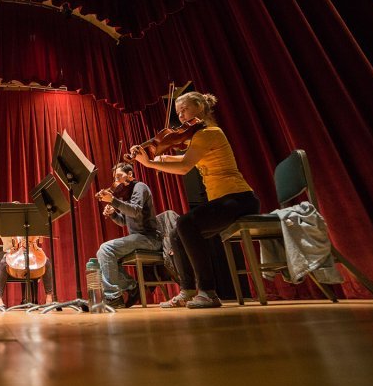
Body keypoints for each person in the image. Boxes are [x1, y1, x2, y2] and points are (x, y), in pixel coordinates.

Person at [130, 92, 260, 309]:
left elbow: (184, 166)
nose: (181, 116)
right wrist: (156, 156)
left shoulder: (210, 133)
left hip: (239, 198)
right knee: (176, 234)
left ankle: (208, 292)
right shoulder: (199, 137)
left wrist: (151, 164)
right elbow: (183, 157)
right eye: (178, 112)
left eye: (185, 109)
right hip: (225, 201)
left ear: (199, 106)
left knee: (185, 223)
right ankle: (188, 290)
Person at [95, 162, 163, 309]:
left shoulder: (140, 187)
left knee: (105, 249)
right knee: (106, 254)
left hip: (150, 238)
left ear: (130, 174)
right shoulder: (126, 194)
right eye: (115, 178)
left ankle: (113, 296)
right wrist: (113, 214)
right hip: (139, 239)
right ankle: (131, 287)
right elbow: (123, 221)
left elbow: (135, 211)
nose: (117, 181)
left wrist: (113, 201)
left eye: (120, 176)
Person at [0, 236, 54, 308]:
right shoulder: (8, 226)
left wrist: (38, 235)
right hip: (14, 252)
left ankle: (49, 296)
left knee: (46, 262)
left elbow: (40, 241)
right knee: (3, 263)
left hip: (32, 251)